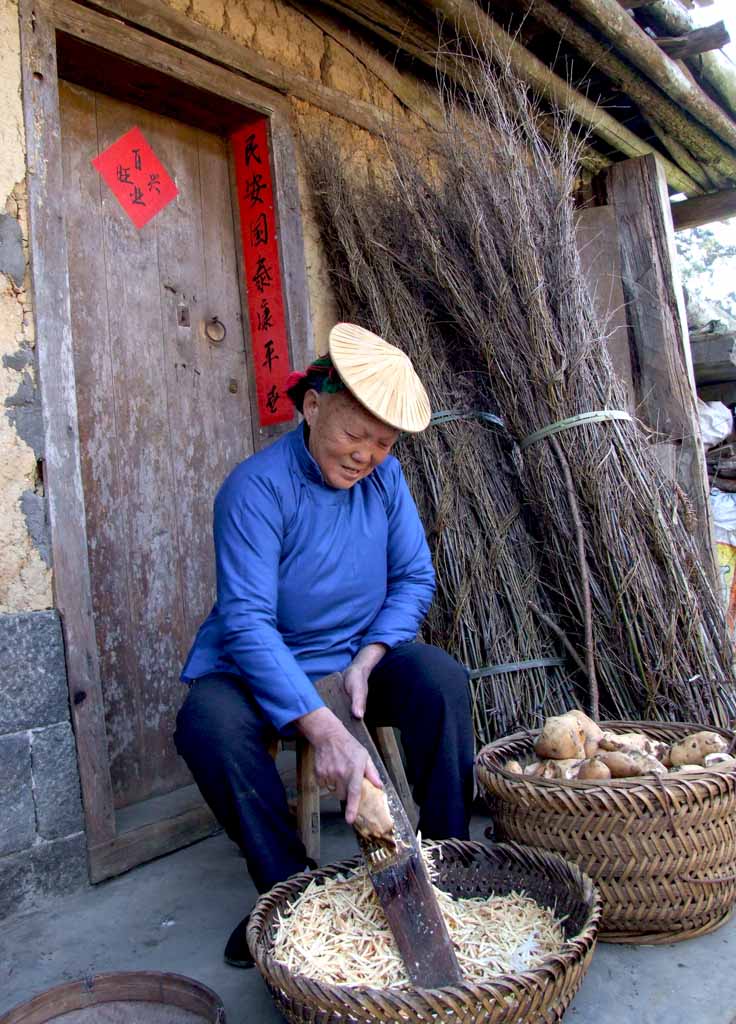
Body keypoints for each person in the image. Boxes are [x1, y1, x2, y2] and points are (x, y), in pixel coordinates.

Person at [174, 323, 475, 967]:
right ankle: (289, 893)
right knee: (208, 723)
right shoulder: (255, 488)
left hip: (354, 655)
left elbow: (414, 578)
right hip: (260, 661)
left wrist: (370, 656)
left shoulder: (386, 484)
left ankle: (447, 869)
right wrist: (323, 728)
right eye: (353, 434)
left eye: (383, 443)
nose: (365, 455)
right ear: (312, 408)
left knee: (442, 680)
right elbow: (247, 621)